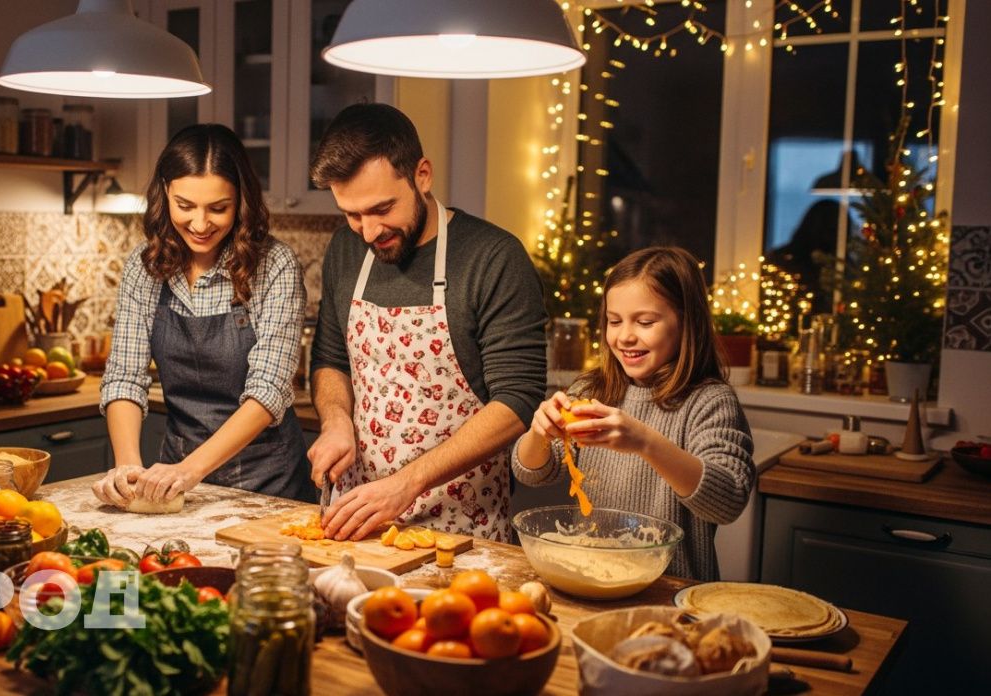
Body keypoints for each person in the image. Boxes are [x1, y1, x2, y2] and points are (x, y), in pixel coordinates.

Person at [308, 103, 548, 542]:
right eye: (352, 214)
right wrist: (337, 420)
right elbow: (329, 358)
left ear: (422, 175)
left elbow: (517, 401)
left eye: (382, 208)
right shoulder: (346, 250)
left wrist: (407, 483)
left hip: (462, 532)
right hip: (357, 522)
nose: (367, 231)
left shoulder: (493, 258)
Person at [93, 123, 315, 507]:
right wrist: (126, 466)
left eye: (218, 208)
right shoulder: (144, 266)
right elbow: (125, 377)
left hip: (269, 483)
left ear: (241, 200)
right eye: (185, 206)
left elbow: (269, 391)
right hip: (176, 479)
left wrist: (190, 470)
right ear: (165, 193)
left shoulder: (274, 265)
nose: (199, 224)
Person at [513, 246, 755, 581]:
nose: (625, 336)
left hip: (672, 592)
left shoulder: (710, 401)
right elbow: (532, 472)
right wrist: (539, 433)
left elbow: (727, 501)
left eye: (645, 322)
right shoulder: (591, 390)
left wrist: (644, 442)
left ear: (687, 323)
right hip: (595, 581)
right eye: (614, 321)